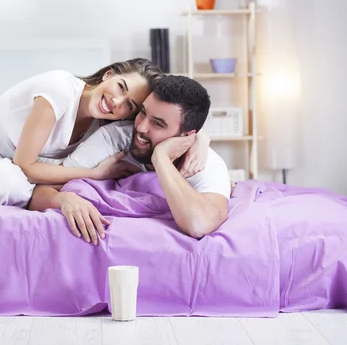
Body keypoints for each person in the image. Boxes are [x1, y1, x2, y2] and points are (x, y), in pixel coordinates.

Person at [0, 58, 209, 208]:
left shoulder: (102, 119)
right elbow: (25, 167)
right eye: (120, 87)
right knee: (12, 186)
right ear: (108, 75)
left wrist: (199, 140)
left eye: (130, 105)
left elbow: (161, 126)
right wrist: (94, 175)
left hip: (24, 174)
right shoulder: (59, 89)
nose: (117, 102)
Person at [28, 75, 231, 243]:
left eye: (158, 124)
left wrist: (161, 159)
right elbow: (38, 193)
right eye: (142, 113)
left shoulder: (204, 164)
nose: (141, 127)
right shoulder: (115, 139)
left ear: (186, 136)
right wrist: (64, 199)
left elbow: (198, 224)